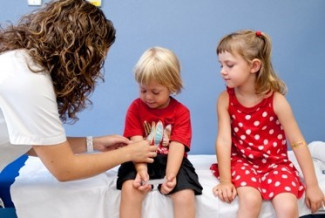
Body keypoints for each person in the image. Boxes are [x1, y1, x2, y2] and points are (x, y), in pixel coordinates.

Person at [0, 0, 157, 183]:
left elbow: (27, 143)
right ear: (82, 53)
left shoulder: (18, 62)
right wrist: (128, 153)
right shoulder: (30, 82)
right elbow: (65, 170)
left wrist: (93, 143)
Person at [210, 30, 325, 217]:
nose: (222, 71)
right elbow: (223, 140)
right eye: (220, 65)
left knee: (288, 206)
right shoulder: (225, 100)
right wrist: (225, 180)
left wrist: (312, 186)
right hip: (242, 162)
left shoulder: (277, 101)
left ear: (254, 66)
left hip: (276, 164)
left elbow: (297, 142)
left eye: (229, 65)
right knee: (250, 200)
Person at [116, 47, 203, 218]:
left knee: (185, 195)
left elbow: (178, 146)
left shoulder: (181, 112)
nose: (148, 97)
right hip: (140, 157)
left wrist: (170, 176)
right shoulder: (135, 108)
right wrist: (141, 170)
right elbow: (136, 143)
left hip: (172, 160)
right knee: (130, 189)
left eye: (155, 92)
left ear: (172, 87)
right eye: (143, 90)